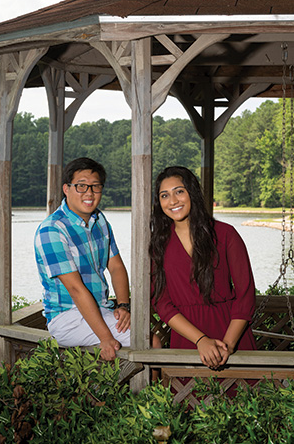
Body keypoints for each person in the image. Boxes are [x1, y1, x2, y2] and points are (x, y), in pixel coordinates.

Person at [150, 166, 257, 370]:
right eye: (165, 195)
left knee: (243, 400)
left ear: (192, 193)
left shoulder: (226, 234)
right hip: (187, 338)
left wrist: (228, 345)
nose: (172, 201)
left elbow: (246, 293)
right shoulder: (158, 245)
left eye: (179, 191)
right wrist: (201, 340)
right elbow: (161, 302)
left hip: (231, 334)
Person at [34, 157, 131, 361]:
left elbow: (116, 267)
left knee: (145, 333)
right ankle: (152, 394)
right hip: (67, 317)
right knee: (148, 341)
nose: (89, 193)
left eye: (95, 187)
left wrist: (123, 306)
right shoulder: (52, 230)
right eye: (81, 186)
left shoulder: (100, 221)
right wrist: (104, 337)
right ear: (66, 189)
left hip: (100, 309)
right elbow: (76, 290)